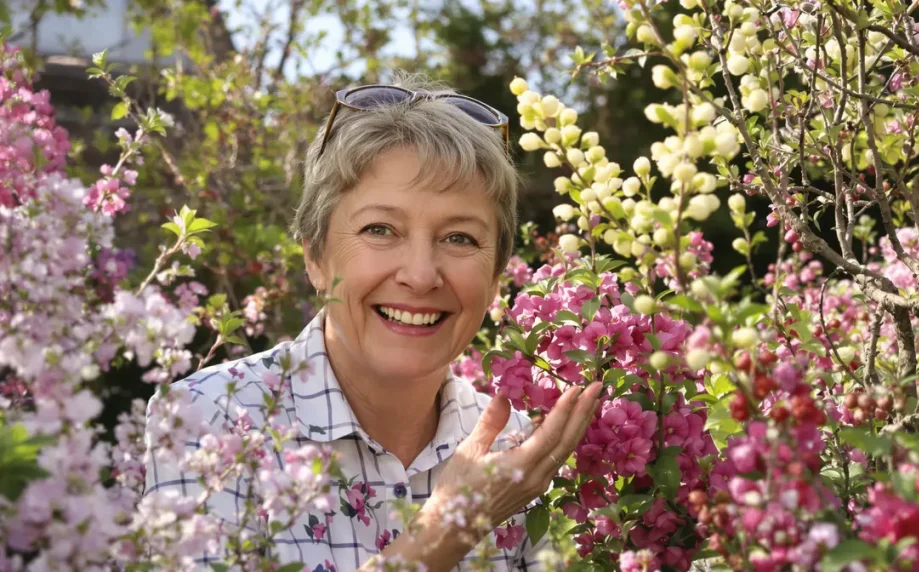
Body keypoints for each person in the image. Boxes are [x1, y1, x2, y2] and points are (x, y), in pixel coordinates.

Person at [142, 74, 603, 571]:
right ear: (315, 257)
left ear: (495, 279)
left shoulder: (519, 453)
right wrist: (453, 526)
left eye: (460, 239)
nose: (421, 275)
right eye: (380, 229)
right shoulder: (207, 419)